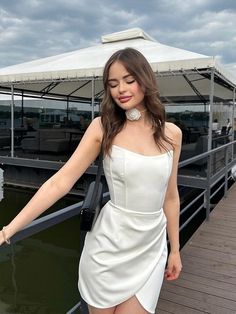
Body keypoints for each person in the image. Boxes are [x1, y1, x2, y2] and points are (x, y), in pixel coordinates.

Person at [0, 48, 182, 314]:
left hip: (152, 248)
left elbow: (171, 196)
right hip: (109, 248)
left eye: (129, 80)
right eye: (113, 84)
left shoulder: (172, 134)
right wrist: (8, 230)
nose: (121, 89)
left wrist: (175, 249)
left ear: (145, 80)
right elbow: (59, 182)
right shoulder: (102, 127)